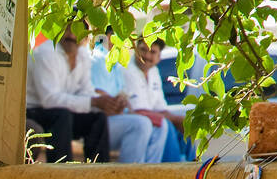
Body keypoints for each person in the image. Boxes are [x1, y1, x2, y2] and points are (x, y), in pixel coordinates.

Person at [27, 23, 157, 163]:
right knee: (62, 116)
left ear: (84, 36)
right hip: (34, 111)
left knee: (98, 117)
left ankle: (98, 172)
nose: (71, 35)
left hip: (60, 112)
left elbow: (86, 92)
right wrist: (94, 101)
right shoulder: (47, 53)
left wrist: (108, 103)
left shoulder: (82, 56)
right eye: (67, 30)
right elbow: (50, 100)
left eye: (76, 31)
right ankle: (61, 172)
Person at [91, 26, 167, 163]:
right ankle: (131, 176)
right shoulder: (98, 59)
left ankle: (149, 174)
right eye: (124, 39)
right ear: (110, 38)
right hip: (97, 120)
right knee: (141, 124)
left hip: (116, 117)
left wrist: (124, 105)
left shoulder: (116, 63)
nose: (127, 44)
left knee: (160, 125)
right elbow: (96, 94)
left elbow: (123, 98)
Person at [126, 36, 196, 162]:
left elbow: (160, 108)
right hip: (135, 123)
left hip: (148, 120)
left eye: (152, 52)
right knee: (165, 124)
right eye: (143, 50)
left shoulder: (153, 72)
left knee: (184, 126)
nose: (147, 56)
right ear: (136, 50)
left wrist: (179, 120)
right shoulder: (127, 71)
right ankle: (173, 169)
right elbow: (138, 110)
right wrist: (174, 119)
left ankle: (191, 166)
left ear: (159, 57)